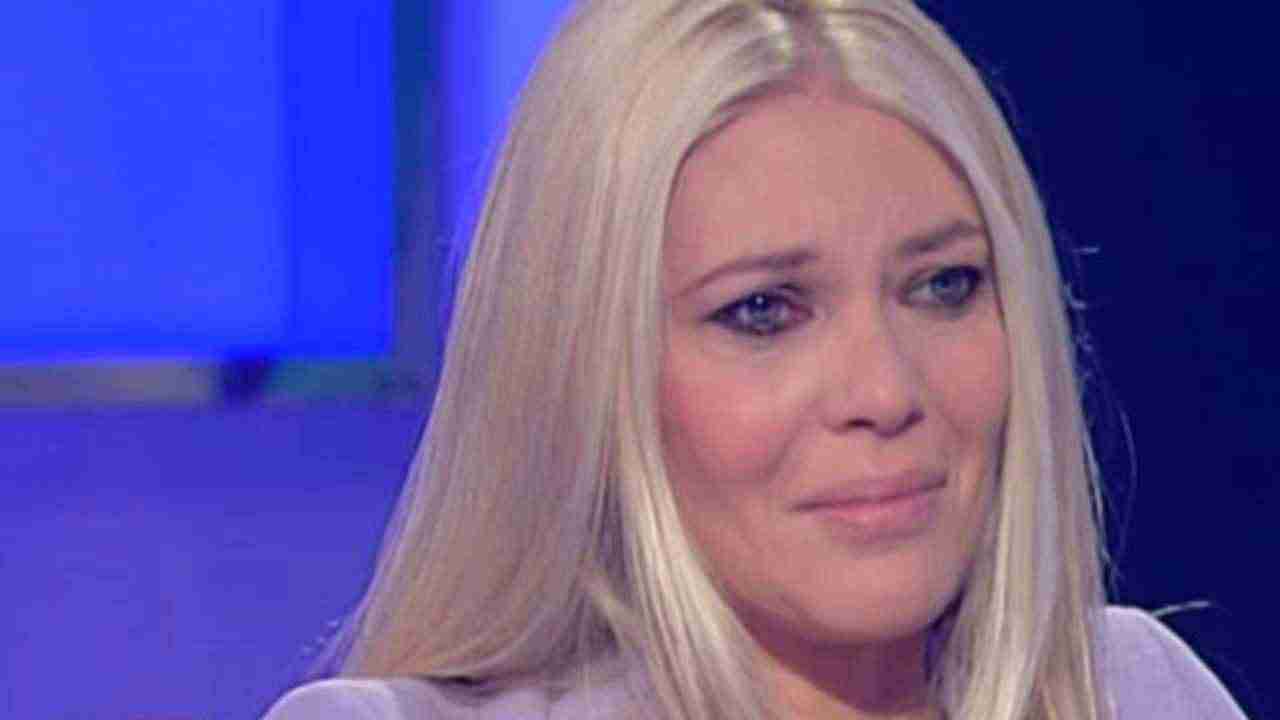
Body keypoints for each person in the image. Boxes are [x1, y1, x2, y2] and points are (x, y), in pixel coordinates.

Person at [264, 0, 1248, 718]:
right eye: (764, 311)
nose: (885, 391)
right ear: (586, 373)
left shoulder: (1130, 692)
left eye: (943, 285)